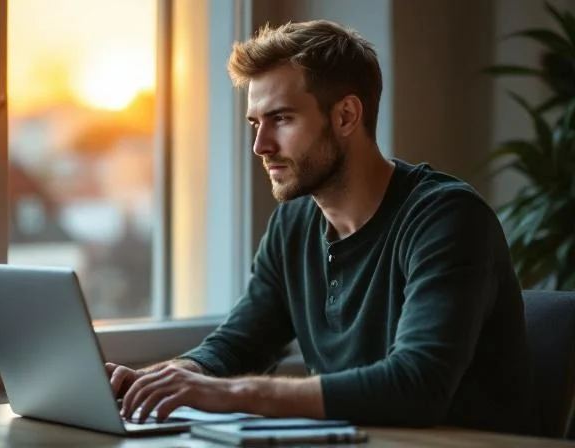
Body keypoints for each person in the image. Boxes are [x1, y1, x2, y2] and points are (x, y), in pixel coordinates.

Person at [106, 19, 536, 436]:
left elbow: (416, 385)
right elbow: (239, 344)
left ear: (346, 116)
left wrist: (230, 393)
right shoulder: (293, 222)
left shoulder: (446, 218)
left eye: (281, 119)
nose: (261, 146)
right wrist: (162, 379)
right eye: (256, 123)